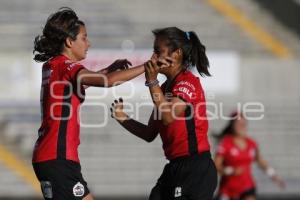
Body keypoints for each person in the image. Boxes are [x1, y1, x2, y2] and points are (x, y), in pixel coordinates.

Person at [32, 7, 144, 200]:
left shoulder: (53, 66)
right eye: (84, 38)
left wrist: (109, 68)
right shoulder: (67, 67)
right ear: (69, 41)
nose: (88, 43)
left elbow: (89, 80)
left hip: (50, 156)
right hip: (58, 157)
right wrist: (148, 66)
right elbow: (107, 82)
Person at [111, 27, 217, 200]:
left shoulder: (188, 82)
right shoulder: (164, 89)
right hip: (174, 167)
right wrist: (122, 117)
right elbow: (149, 133)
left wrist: (151, 81)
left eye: (157, 51)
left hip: (195, 168)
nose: (153, 57)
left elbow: (167, 116)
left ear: (176, 53)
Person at [214, 111, 285, 200]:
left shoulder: (252, 143)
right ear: (232, 125)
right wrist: (230, 171)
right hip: (228, 189)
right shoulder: (225, 143)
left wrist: (273, 175)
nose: (241, 127)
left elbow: (260, 161)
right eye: (238, 124)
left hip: (246, 186)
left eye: (243, 124)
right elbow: (216, 165)